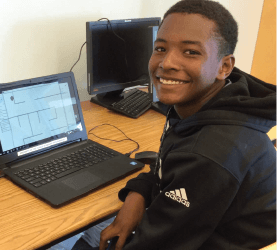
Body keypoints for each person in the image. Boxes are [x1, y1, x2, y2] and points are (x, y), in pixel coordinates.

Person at [74, 0, 277, 249]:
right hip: (189, 226)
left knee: (76, 239)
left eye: (191, 52)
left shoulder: (209, 153)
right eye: (160, 48)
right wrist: (137, 194)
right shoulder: (203, 105)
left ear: (224, 66)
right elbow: (165, 167)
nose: (167, 63)